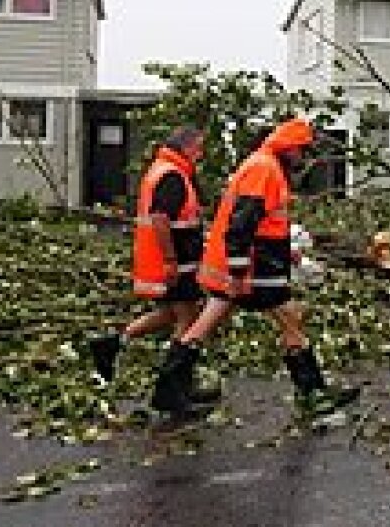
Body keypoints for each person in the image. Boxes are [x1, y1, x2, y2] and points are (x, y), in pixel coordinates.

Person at [149, 118, 359, 416]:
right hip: (254, 267)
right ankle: (312, 392)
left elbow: (264, 223)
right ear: (288, 148)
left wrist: (285, 254)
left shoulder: (264, 165)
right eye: (300, 151)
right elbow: (242, 225)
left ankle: (168, 389)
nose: (302, 158)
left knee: (206, 323)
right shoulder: (265, 169)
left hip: (248, 263)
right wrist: (238, 272)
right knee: (290, 319)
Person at [88, 126, 219, 402]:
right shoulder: (172, 175)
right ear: (185, 147)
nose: (201, 153)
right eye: (198, 147)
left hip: (172, 259)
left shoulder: (167, 170)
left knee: (173, 315)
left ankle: (113, 343)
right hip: (176, 262)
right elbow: (161, 218)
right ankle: (174, 386)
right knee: (189, 319)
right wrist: (171, 259)